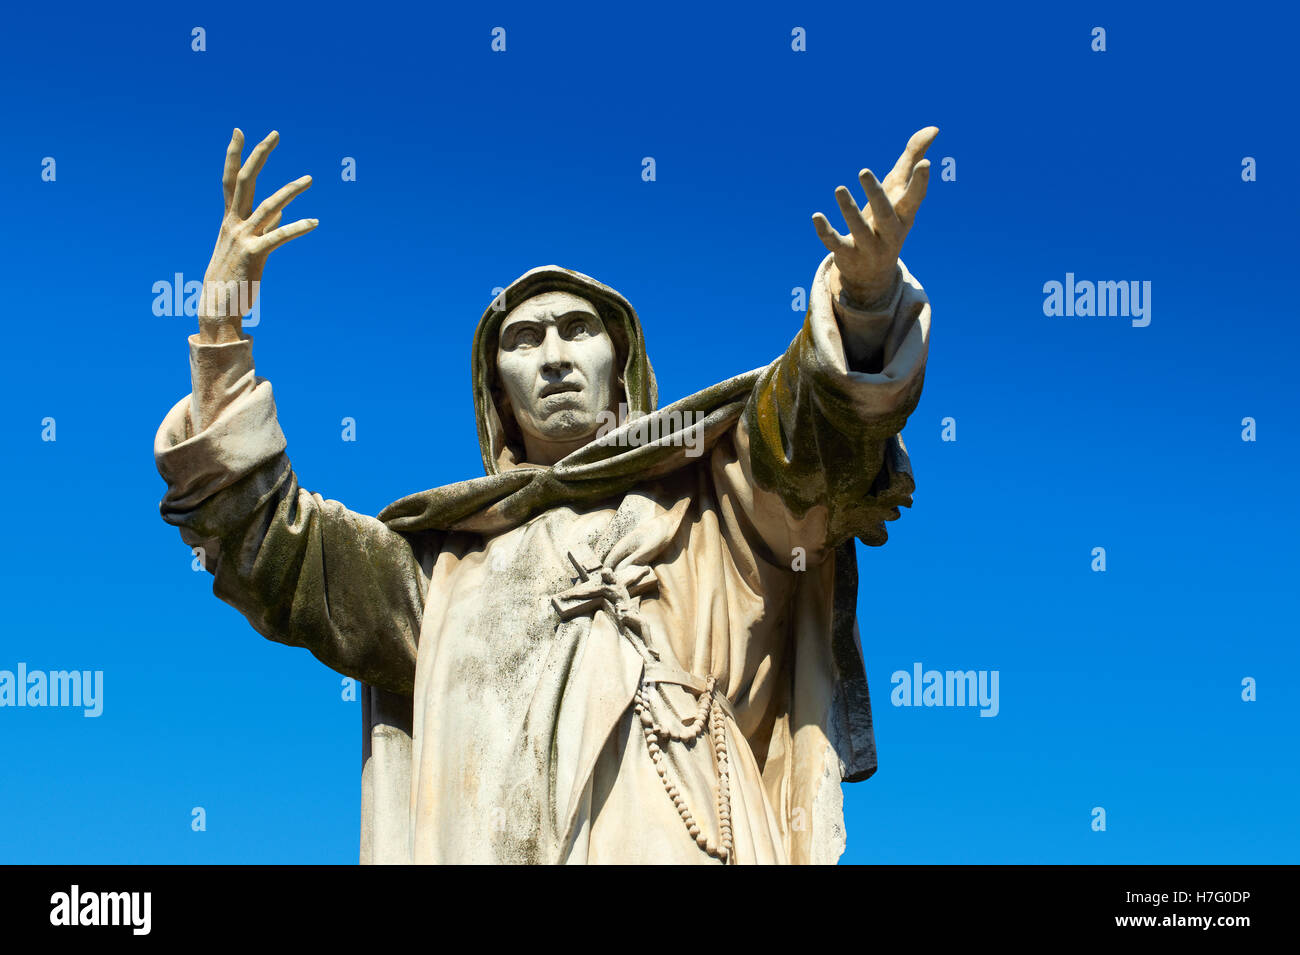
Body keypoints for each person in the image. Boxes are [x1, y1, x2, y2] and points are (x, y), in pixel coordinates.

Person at [154, 126, 936, 863]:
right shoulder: (434, 572)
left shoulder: (716, 506)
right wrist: (221, 334)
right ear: (498, 392)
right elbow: (267, 540)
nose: (555, 356)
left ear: (621, 367)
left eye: (577, 330)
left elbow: (807, 443)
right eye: (524, 341)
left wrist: (863, 304)